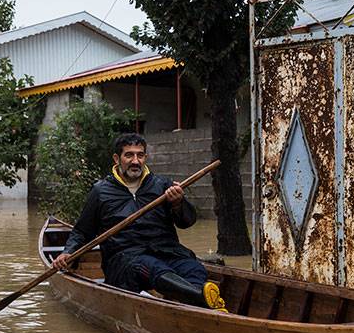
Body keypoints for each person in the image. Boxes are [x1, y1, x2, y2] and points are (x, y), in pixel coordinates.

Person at [52, 132, 227, 312]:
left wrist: (178, 203)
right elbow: (82, 231)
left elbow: (187, 222)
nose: (135, 161)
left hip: (167, 252)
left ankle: (198, 303)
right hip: (125, 259)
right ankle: (202, 300)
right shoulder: (101, 191)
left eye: (140, 155)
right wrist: (68, 252)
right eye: (129, 155)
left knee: (194, 268)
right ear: (116, 158)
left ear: (145, 157)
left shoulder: (161, 185)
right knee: (149, 267)